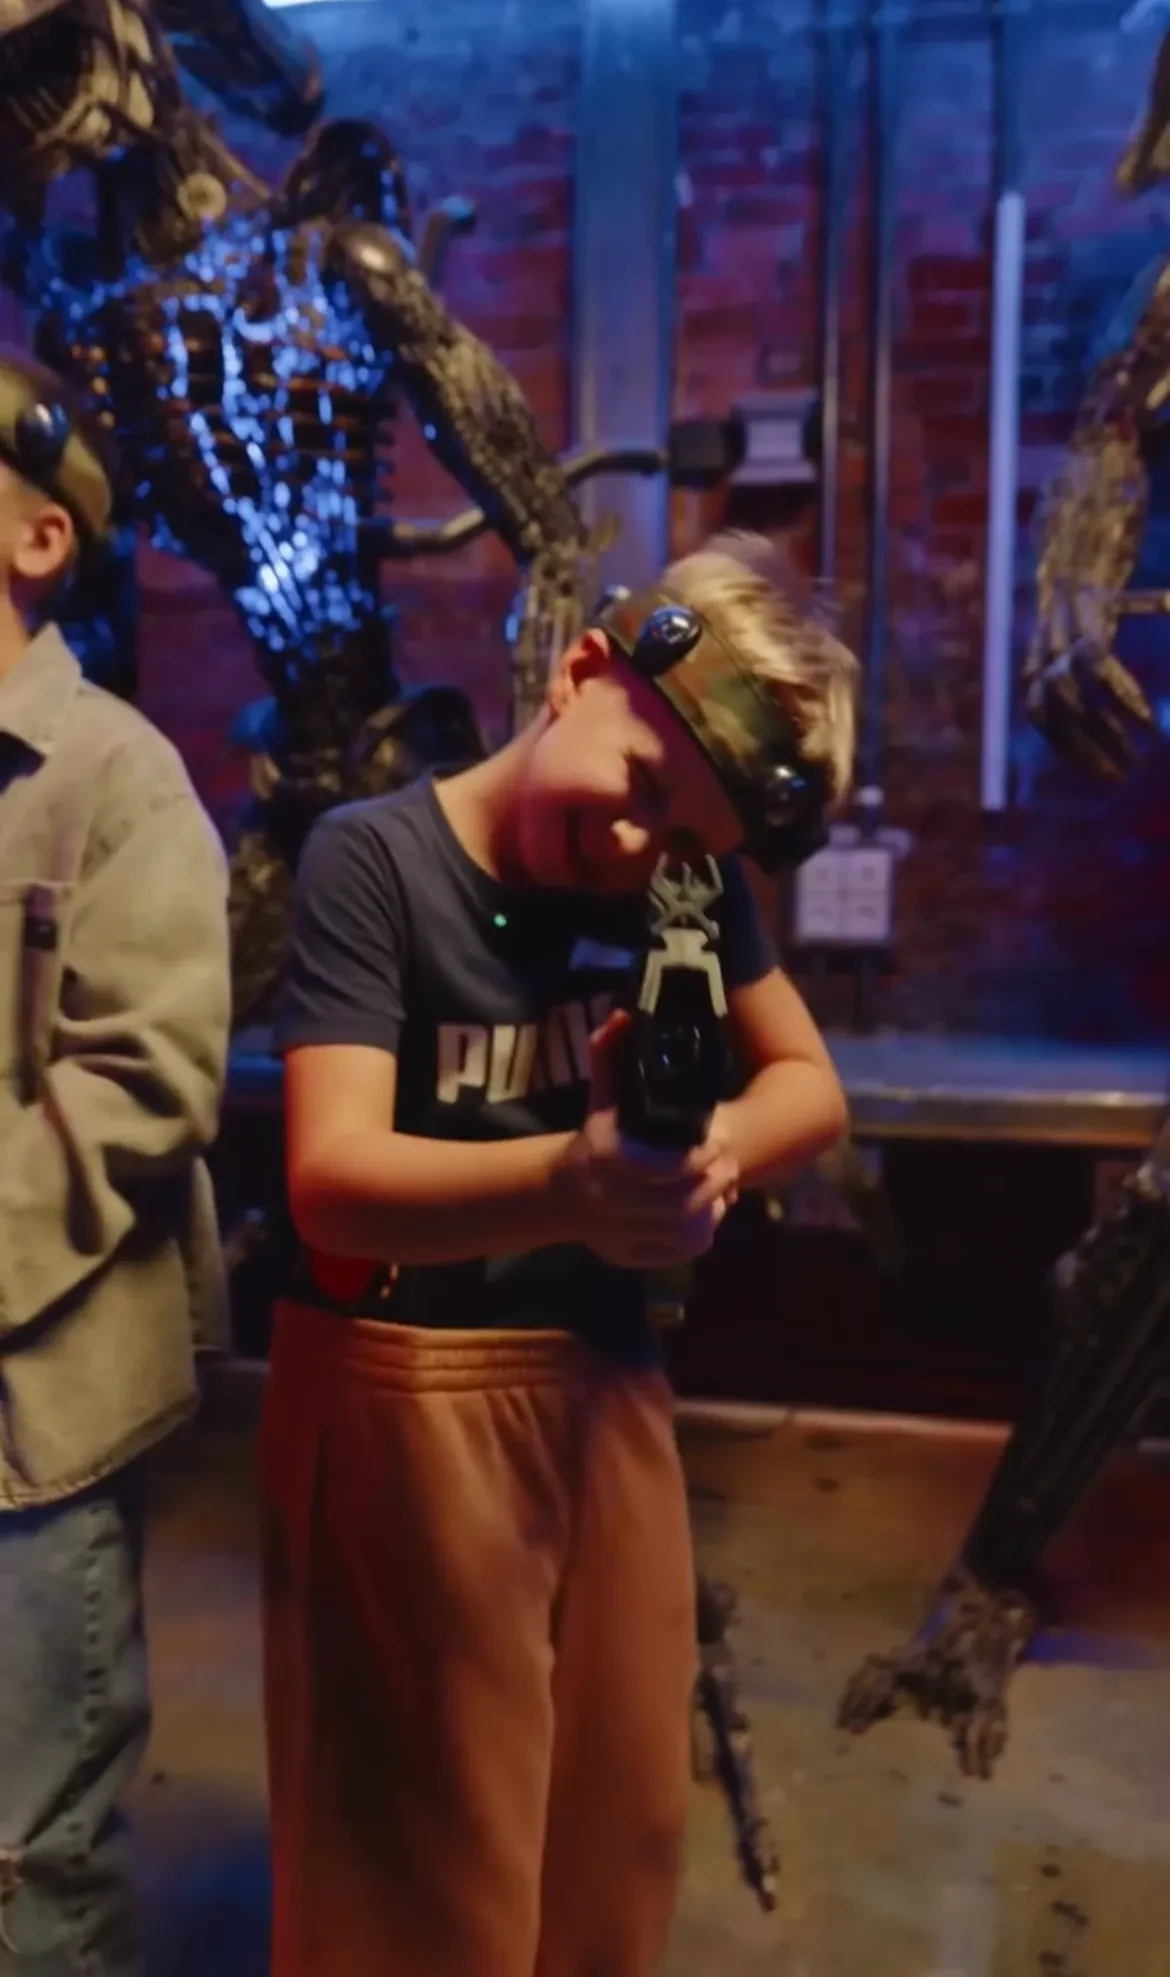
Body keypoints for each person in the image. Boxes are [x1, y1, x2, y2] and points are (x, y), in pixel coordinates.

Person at [263, 532, 858, 1977]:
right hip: (402, 1386)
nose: (643, 849)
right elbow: (331, 1182)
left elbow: (811, 1091)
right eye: (641, 785)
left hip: (601, 1383)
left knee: (608, 1829)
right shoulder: (374, 862)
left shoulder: (679, 884)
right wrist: (572, 1187)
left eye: (692, 842)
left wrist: (712, 1154)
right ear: (577, 673)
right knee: (417, 1864)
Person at [0, 351, 231, 1974]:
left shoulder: (111, 778)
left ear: (37, 540)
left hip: (36, 1424)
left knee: (25, 1857)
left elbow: (143, 1080)